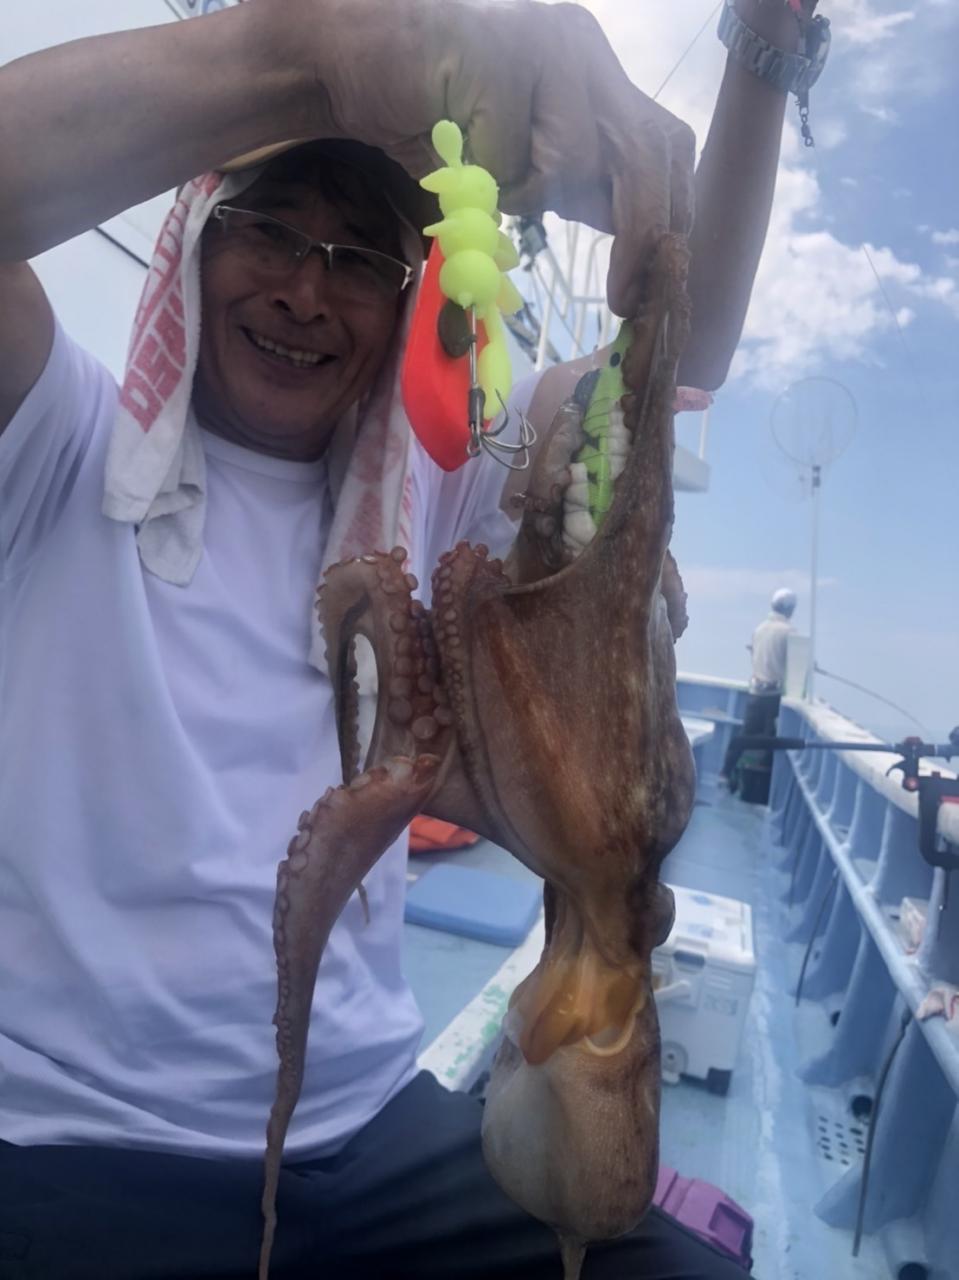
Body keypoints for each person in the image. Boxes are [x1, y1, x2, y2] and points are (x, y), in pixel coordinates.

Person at [0, 1, 822, 1275]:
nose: (303, 287)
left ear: (406, 305)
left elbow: (674, 346)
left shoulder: (429, 494)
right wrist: (319, 52)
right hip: (77, 1139)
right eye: (271, 230)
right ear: (197, 235)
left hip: (373, 1117)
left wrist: (763, 46)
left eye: (356, 258)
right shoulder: (52, 441)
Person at [721, 588, 798, 788]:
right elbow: (796, 666)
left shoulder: (760, 629)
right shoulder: (790, 633)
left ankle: (725, 773)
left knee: (745, 735)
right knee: (770, 739)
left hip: (755, 693)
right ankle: (761, 785)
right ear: (790, 609)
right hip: (774, 696)